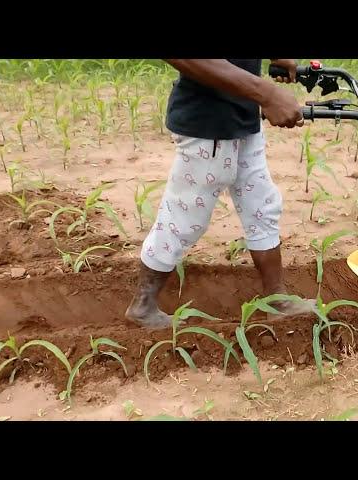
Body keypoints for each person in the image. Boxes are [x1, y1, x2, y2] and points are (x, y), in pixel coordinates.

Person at [126, 59, 314, 329]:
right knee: (185, 217)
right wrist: (267, 93)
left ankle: (276, 298)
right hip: (208, 125)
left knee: (262, 205)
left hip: (242, 117)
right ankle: (142, 306)